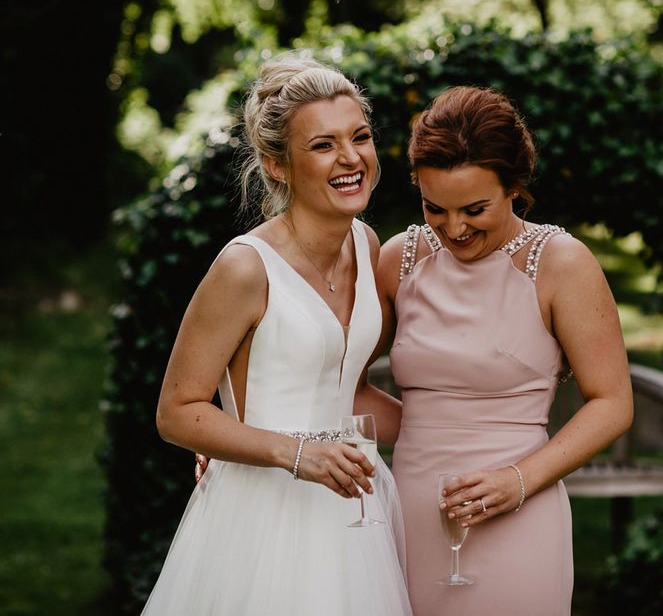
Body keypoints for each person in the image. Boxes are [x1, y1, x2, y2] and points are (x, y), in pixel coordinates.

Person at [142, 55, 412, 615]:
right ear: (276, 164)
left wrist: (455, 429)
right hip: (262, 519)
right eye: (322, 145)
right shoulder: (245, 268)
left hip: (354, 511)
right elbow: (176, 411)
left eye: (359, 137)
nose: (350, 158)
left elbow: (348, 391)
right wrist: (297, 454)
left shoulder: (366, 243)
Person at [373, 86, 634, 615]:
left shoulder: (561, 263)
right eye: (434, 208)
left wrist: (518, 481)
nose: (453, 229)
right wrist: (251, 423)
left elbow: (612, 403)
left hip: (519, 510)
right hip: (410, 509)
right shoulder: (398, 259)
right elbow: (333, 376)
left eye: (474, 209)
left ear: (514, 186)